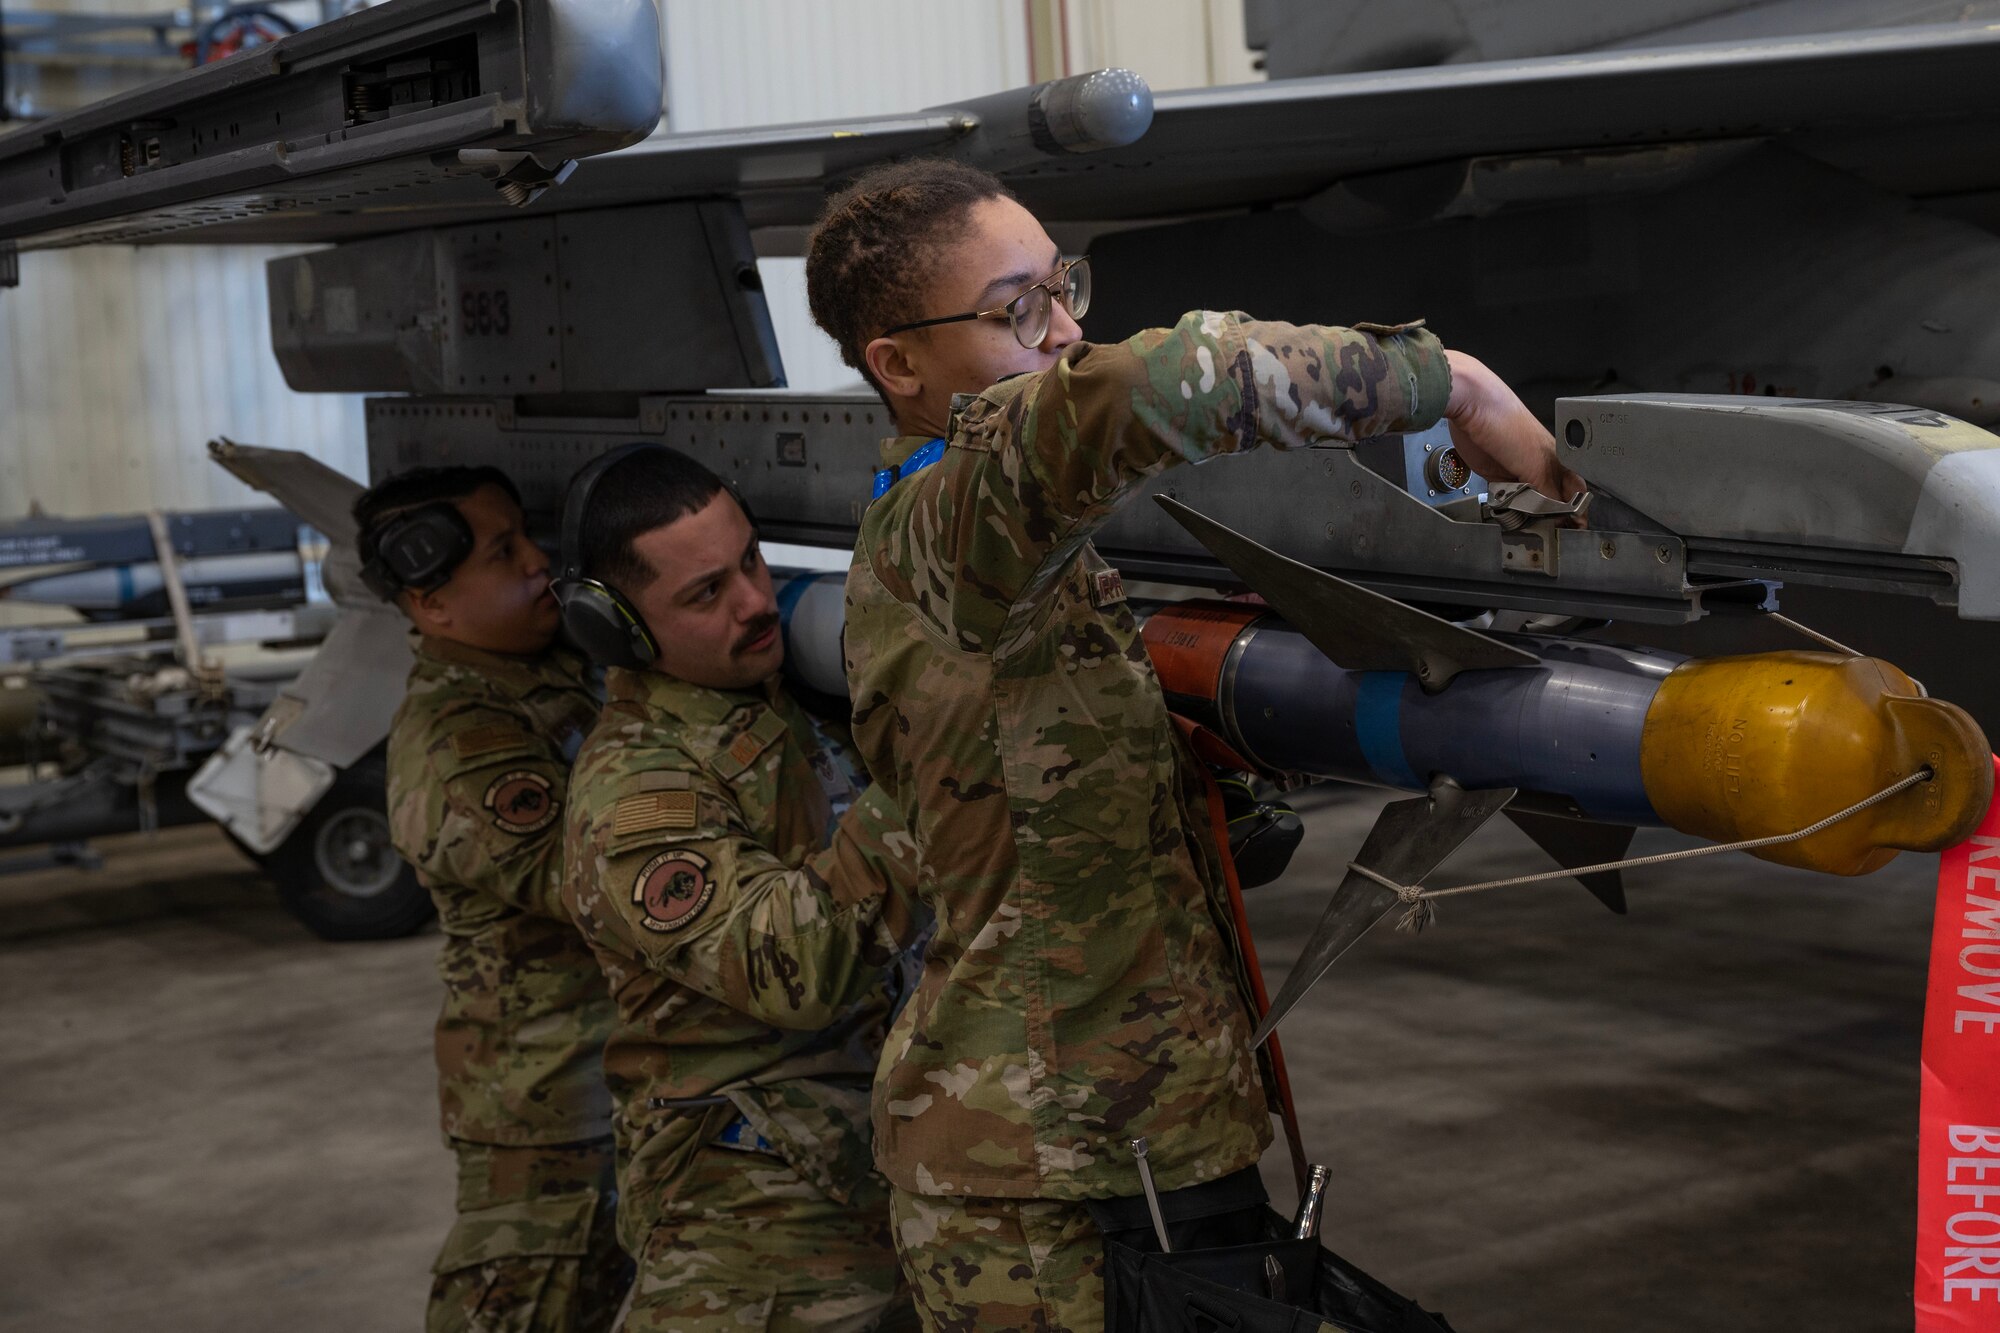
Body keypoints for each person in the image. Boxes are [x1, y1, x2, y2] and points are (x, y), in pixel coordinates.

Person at [804, 159, 1581, 1331]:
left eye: (1063, 287)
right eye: (1016, 310)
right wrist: (1453, 386)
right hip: (1045, 1182)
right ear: (898, 367)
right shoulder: (950, 515)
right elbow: (1136, 389)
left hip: (1135, 1138)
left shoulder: (1013, 549)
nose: (1064, 330)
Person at [556, 445, 923, 1332]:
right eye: (705, 592)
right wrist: (928, 757)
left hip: (864, 1165)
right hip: (751, 1219)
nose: (756, 601)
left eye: (751, 559)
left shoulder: (765, 696)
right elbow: (796, 967)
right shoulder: (636, 793)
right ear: (621, 630)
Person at [363, 465, 630, 1333]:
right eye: (502, 550)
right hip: (545, 1117)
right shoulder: (458, 741)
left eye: (526, 534)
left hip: (612, 1090)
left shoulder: (550, 668)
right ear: (431, 604)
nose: (535, 560)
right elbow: (597, 886)